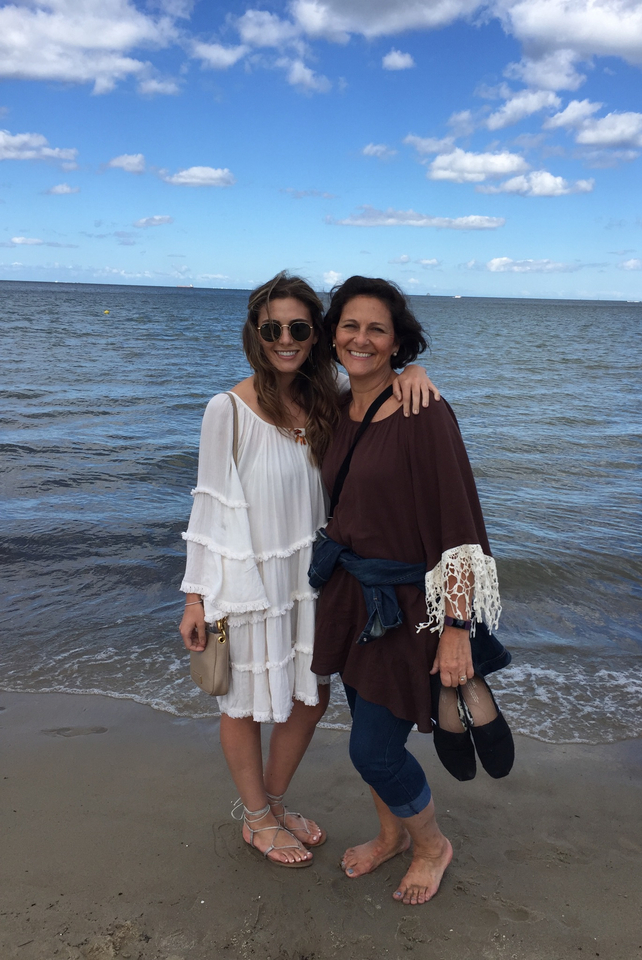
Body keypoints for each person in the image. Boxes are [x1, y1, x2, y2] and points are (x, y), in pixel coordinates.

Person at [179, 272, 438, 868]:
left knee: (309, 698)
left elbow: (379, 389)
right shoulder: (228, 409)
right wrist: (195, 598)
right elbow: (207, 507)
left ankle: (270, 803)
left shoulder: (329, 404)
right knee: (241, 703)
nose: (286, 339)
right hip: (246, 583)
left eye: (300, 327)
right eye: (274, 329)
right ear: (256, 334)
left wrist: (414, 374)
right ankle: (256, 820)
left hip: (314, 582)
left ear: (316, 334)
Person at [310, 276, 511, 904]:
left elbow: (459, 532)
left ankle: (431, 845)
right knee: (375, 732)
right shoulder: (337, 408)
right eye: (349, 325)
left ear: (398, 342)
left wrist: (457, 631)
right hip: (352, 601)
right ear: (333, 335)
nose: (361, 338)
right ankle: (390, 835)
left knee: (373, 749)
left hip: (407, 613)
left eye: (377, 328)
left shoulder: (425, 413)